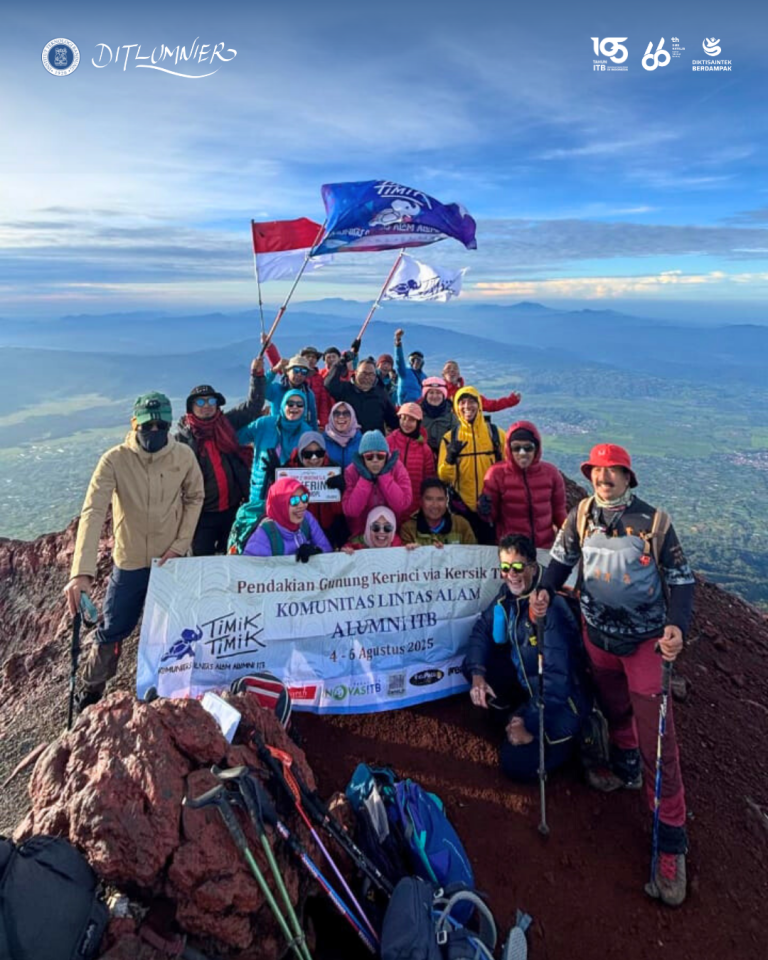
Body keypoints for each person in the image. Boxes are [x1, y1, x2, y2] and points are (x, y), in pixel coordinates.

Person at [532, 443, 695, 907]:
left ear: (628, 477)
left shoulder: (655, 522)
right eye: (597, 471)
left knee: (659, 740)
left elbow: (681, 579)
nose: (603, 479)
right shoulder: (581, 514)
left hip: (645, 644)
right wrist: (543, 590)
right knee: (614, 705)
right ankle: (624, 760)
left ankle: (670, 840)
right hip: (598, 636)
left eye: (612, 472)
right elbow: (562, 559)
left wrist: (677, 628)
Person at [63, 392, 204, 710]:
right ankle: (90, 694)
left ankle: (171, 691)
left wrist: (180, 546)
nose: (154, 430)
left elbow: (195, 497)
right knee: (113, 630)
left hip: (171, 563)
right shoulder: (115, 459)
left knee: (175, 631)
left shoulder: (182, 456)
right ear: (134, 423)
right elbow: (93, 511)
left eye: (161, 424)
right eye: (147, 424)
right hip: (129, 563)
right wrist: (81, 572)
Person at [464, 535, 587, 782]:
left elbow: (556, 686)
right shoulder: (508, 595)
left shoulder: (549, 609)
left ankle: (581, 741)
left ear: (532, 566)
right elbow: (481, 630)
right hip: (532, 689)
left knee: (514, 763)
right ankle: (515, 718)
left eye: (518, 567)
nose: (512, 574)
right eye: (506, 568)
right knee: (475, 669)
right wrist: (477, 674)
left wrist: (526, 722)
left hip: (564, 703)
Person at [174, 360, 266, 555]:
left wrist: (256, 376)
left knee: (232, 560)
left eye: (211, 401)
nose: (207, 406)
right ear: (191, 407)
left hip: (232, 510)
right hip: (201, 516)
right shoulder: (181, 440)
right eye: (200, 401)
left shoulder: (226, 423)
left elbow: (253, 406)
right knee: (202, 563)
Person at [231, 390, 314, 547]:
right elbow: (236, 437)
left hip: (291, 498)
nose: (294, 408)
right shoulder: (264, 424)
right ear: (282, 405)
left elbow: (313, 464)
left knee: (285, 539)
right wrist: (247, 415)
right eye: (290, 403)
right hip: (261, 492)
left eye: (299, 404)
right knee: (259, 537)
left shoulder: (307, 432)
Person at [479, 421, 567, 550]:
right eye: (516, 448)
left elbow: (559, 511)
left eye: (528, 447)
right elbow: (491, 517)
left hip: (544, 548)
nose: (522, 453)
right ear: (509, 449)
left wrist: (571, 538)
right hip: (512, 550)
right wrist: (484, 509)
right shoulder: (496, 474)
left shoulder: (551, 473)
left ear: (536, 448)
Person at [437, 386, 504, 543]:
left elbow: (508, 470)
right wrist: (450, 459)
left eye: (472, 401)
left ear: (479, 404)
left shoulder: (496, 434)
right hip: (461, 509)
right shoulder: (449, 438)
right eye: (462, 402)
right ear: (456, 407)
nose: (467, 406)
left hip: (491, 509)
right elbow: (444, 478)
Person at [341, 429, 412, 537]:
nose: (375, 460)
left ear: (387, 456)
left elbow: (402, 504)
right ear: (362, 457)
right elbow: (351, 510)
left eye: (380, 456)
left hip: (388, 534)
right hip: (360, 534)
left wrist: (384, 476)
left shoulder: (397, 468)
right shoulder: (351, 472)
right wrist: (365, 479)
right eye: (369, 456)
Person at [286, 432, 348, 548]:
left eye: (319, 453)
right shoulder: (289, 470)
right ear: (300, 454)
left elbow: (339, 512)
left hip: (327, 528)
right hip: (298, 530)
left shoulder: (333, 469)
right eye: (308, 454)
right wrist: (274, 480)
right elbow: (279, 504)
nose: (314, 459)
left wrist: (342, 491)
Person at [243, 477, 331, 558]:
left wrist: (317, 552)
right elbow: (251, 569)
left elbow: (327, 551)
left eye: (304, 498)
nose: (302, 505)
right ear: (280, 505)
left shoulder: (307, 518)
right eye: (294, 500)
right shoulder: (264, 535)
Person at [325, 353, 399, 434]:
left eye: (371, 374)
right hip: (348, 441)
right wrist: (340, 363)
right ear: (356, 373)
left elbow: (393, 420)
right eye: (364, 373)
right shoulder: (345, 389)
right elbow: (329, 384)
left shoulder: (381, 394)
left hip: (372, 443)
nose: (367, 377)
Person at [386, 402, 436, 519]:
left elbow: (428, 479)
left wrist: (423, 505)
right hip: (389, 502)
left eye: (411, 420)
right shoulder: (388, 442)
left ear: (418, 422)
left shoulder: (425, 449)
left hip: (414, 506)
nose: (406, 423)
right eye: (403, 418)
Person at [400, 478, 477, 546]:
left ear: (447, 501)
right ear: (420, 501)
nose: (435, 505)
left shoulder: (461, 525)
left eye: (440, 499)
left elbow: (473, 556)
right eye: (429, 499)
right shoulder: (408, 529)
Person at [442, 360, 521, 413]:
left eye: (455, 369)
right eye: (448, 368)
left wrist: (511, 400)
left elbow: (490, 405)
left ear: (459, 374)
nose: (452, 370)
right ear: (443, 374)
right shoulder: (437, 392)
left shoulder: (467, 394)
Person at [265, 354, 319, 428]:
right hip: (277, 433)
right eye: (296, 370)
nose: (299, 374)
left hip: (300, 435)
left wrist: (313, 437)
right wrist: (274, 370)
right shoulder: (276, 390)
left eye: (303, 371)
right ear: (287, 372)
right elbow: (260, 387)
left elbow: (312, 420)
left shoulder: (308, 394)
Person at [419, 377, 458, 456]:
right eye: (431, 393)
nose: (435, 396)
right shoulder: (418, 415)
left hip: (446, 458)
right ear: (425, 395)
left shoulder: (451, 417)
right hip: (422, 457)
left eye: (438, 393)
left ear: (443, 395)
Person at [323, 401, 363, 472]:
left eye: (346, 413)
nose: (341, 416)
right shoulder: (323, 440)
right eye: (336, 413)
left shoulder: (361, 441)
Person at [393, 328, 424, 404]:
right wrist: (398, 343)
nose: (416, 362)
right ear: (410, 361)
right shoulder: (404, 372)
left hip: (418, 407)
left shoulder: (424, 377)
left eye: (418, 360)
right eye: (413, 359)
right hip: (404, 405)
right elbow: (399, 360)